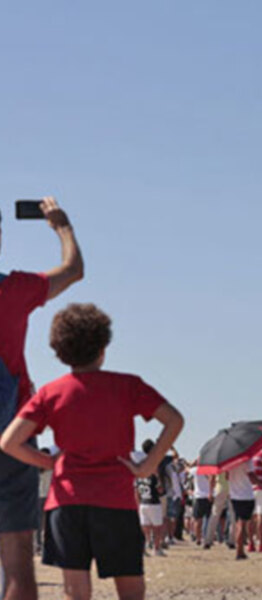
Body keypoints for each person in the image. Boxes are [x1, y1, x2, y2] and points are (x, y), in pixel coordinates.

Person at [0, 303, 183, 600]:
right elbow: (174, 420)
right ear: (103, 346)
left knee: (76, 593)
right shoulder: (127, 386)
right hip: (115, 500)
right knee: (131, 591)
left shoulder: (51, 392)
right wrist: (148, 465)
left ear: (60, 351)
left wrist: (46, 461)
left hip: (67, 502)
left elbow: (9, 441)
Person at [0, 197, 84, 600]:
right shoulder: (14, 289)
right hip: (12, 432)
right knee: (18, 566)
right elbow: (73, 271)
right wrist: (62, 227)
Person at [136, 440, 166, 557]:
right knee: (157, 527)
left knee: (144, 528)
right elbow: (159, 489)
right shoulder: (154, 465)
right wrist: (159, 481)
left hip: (143, 501)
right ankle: (157, 549)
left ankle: (143, 549)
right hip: (153, 501)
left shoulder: (140, 464)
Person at [227, 460, 259, 560]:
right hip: (246, 494)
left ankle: (240, 550)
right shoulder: (247, 461)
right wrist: (261, 483)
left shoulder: (230, 462)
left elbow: (227, 477)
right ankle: (240, 551)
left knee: (238, 523)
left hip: (234, 495)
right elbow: (252, 477)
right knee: (243, 523)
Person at [249, 447, 262, 553]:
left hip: (250, 488)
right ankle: (261, 542)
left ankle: (251, 543)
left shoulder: (250, 456)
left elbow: (249, 474)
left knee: (252, 516)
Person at [189, 462, 212, 547]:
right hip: (208, 496)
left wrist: (193, 463)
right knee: (208, 518)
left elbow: (187, 469)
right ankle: (206, 537)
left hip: (198, 496)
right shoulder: (209, 470)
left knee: (197, 519)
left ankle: (198, 538)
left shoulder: (195, 470)